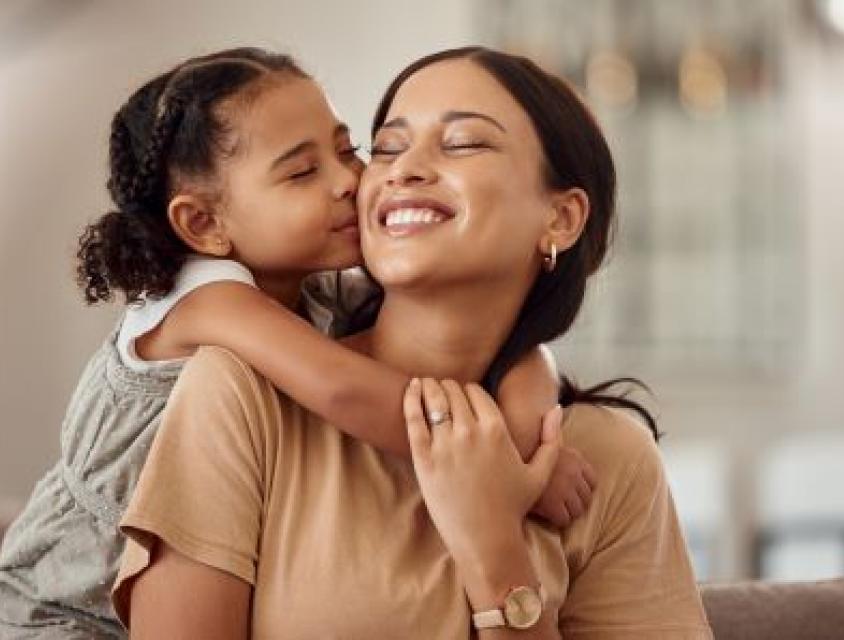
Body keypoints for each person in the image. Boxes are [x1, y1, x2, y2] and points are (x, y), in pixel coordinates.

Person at [112, 46, 712, 638]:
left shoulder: (607, 459)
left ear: (560, 218)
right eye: (389, 146)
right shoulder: (240, 392)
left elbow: (524, 356)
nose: (400, 170)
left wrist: (493, 551)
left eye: (464, 143)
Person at [0, 48, 594, 639]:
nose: (349, 182)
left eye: (347, 150)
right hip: (59, 614)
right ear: (205, 224)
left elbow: (493, 332)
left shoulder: (316, 288)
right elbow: (346, 389)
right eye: (302, 172)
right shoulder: (209, 301)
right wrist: (510, 463)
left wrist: (529, 386)